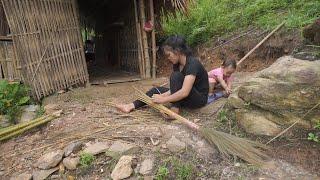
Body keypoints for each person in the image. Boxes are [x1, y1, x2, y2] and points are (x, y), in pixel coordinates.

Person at [116, 35, 209, 119]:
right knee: (155, 91)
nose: (168, 58)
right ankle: (130, 106)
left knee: (175, 76)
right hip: (187, 97)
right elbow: (176, 87)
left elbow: (184, 92)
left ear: (177, 51)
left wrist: (163, 99)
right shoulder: (177, 65)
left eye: (169, 55)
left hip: (198, 99)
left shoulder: (193, 64)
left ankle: (174, 110)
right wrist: (162, 95)